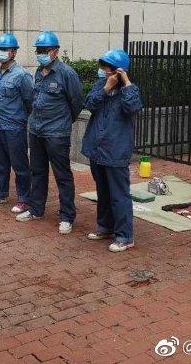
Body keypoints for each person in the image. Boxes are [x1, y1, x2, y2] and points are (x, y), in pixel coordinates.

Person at [16, 31, 83, 235]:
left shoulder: (67, 74)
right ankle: (36, 209)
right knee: (37, 172)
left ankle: (67, 216)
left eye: (45, 50)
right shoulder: (38, 72)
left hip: (56, 134)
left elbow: (76, 103)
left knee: (62, 176)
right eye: (39, 51)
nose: (41, 54)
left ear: (56, 51)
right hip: (36, 130)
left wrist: (63, 122)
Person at [82, 49, 142, 252]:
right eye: (102, 66)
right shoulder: (101, 86)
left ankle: (125, 235)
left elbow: (133, 108)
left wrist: (126, 83)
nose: (103, 71)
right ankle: (105, 227)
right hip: (97, 149)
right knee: (103, 192)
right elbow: (89, 103)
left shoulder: (129, 90)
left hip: (116, 150)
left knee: (119, 195)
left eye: (106, 67)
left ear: (118, 70)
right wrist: (106, 88)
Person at [0, 33, 33, 213]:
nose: (2, 52)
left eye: (6, 49)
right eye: (0, 49)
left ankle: (24, 199)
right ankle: (0, 193)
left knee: (20, 165)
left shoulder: (22, 75)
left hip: (14, 127)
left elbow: (30, 102)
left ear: (14, 52)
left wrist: (20, 119)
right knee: (0, 163)